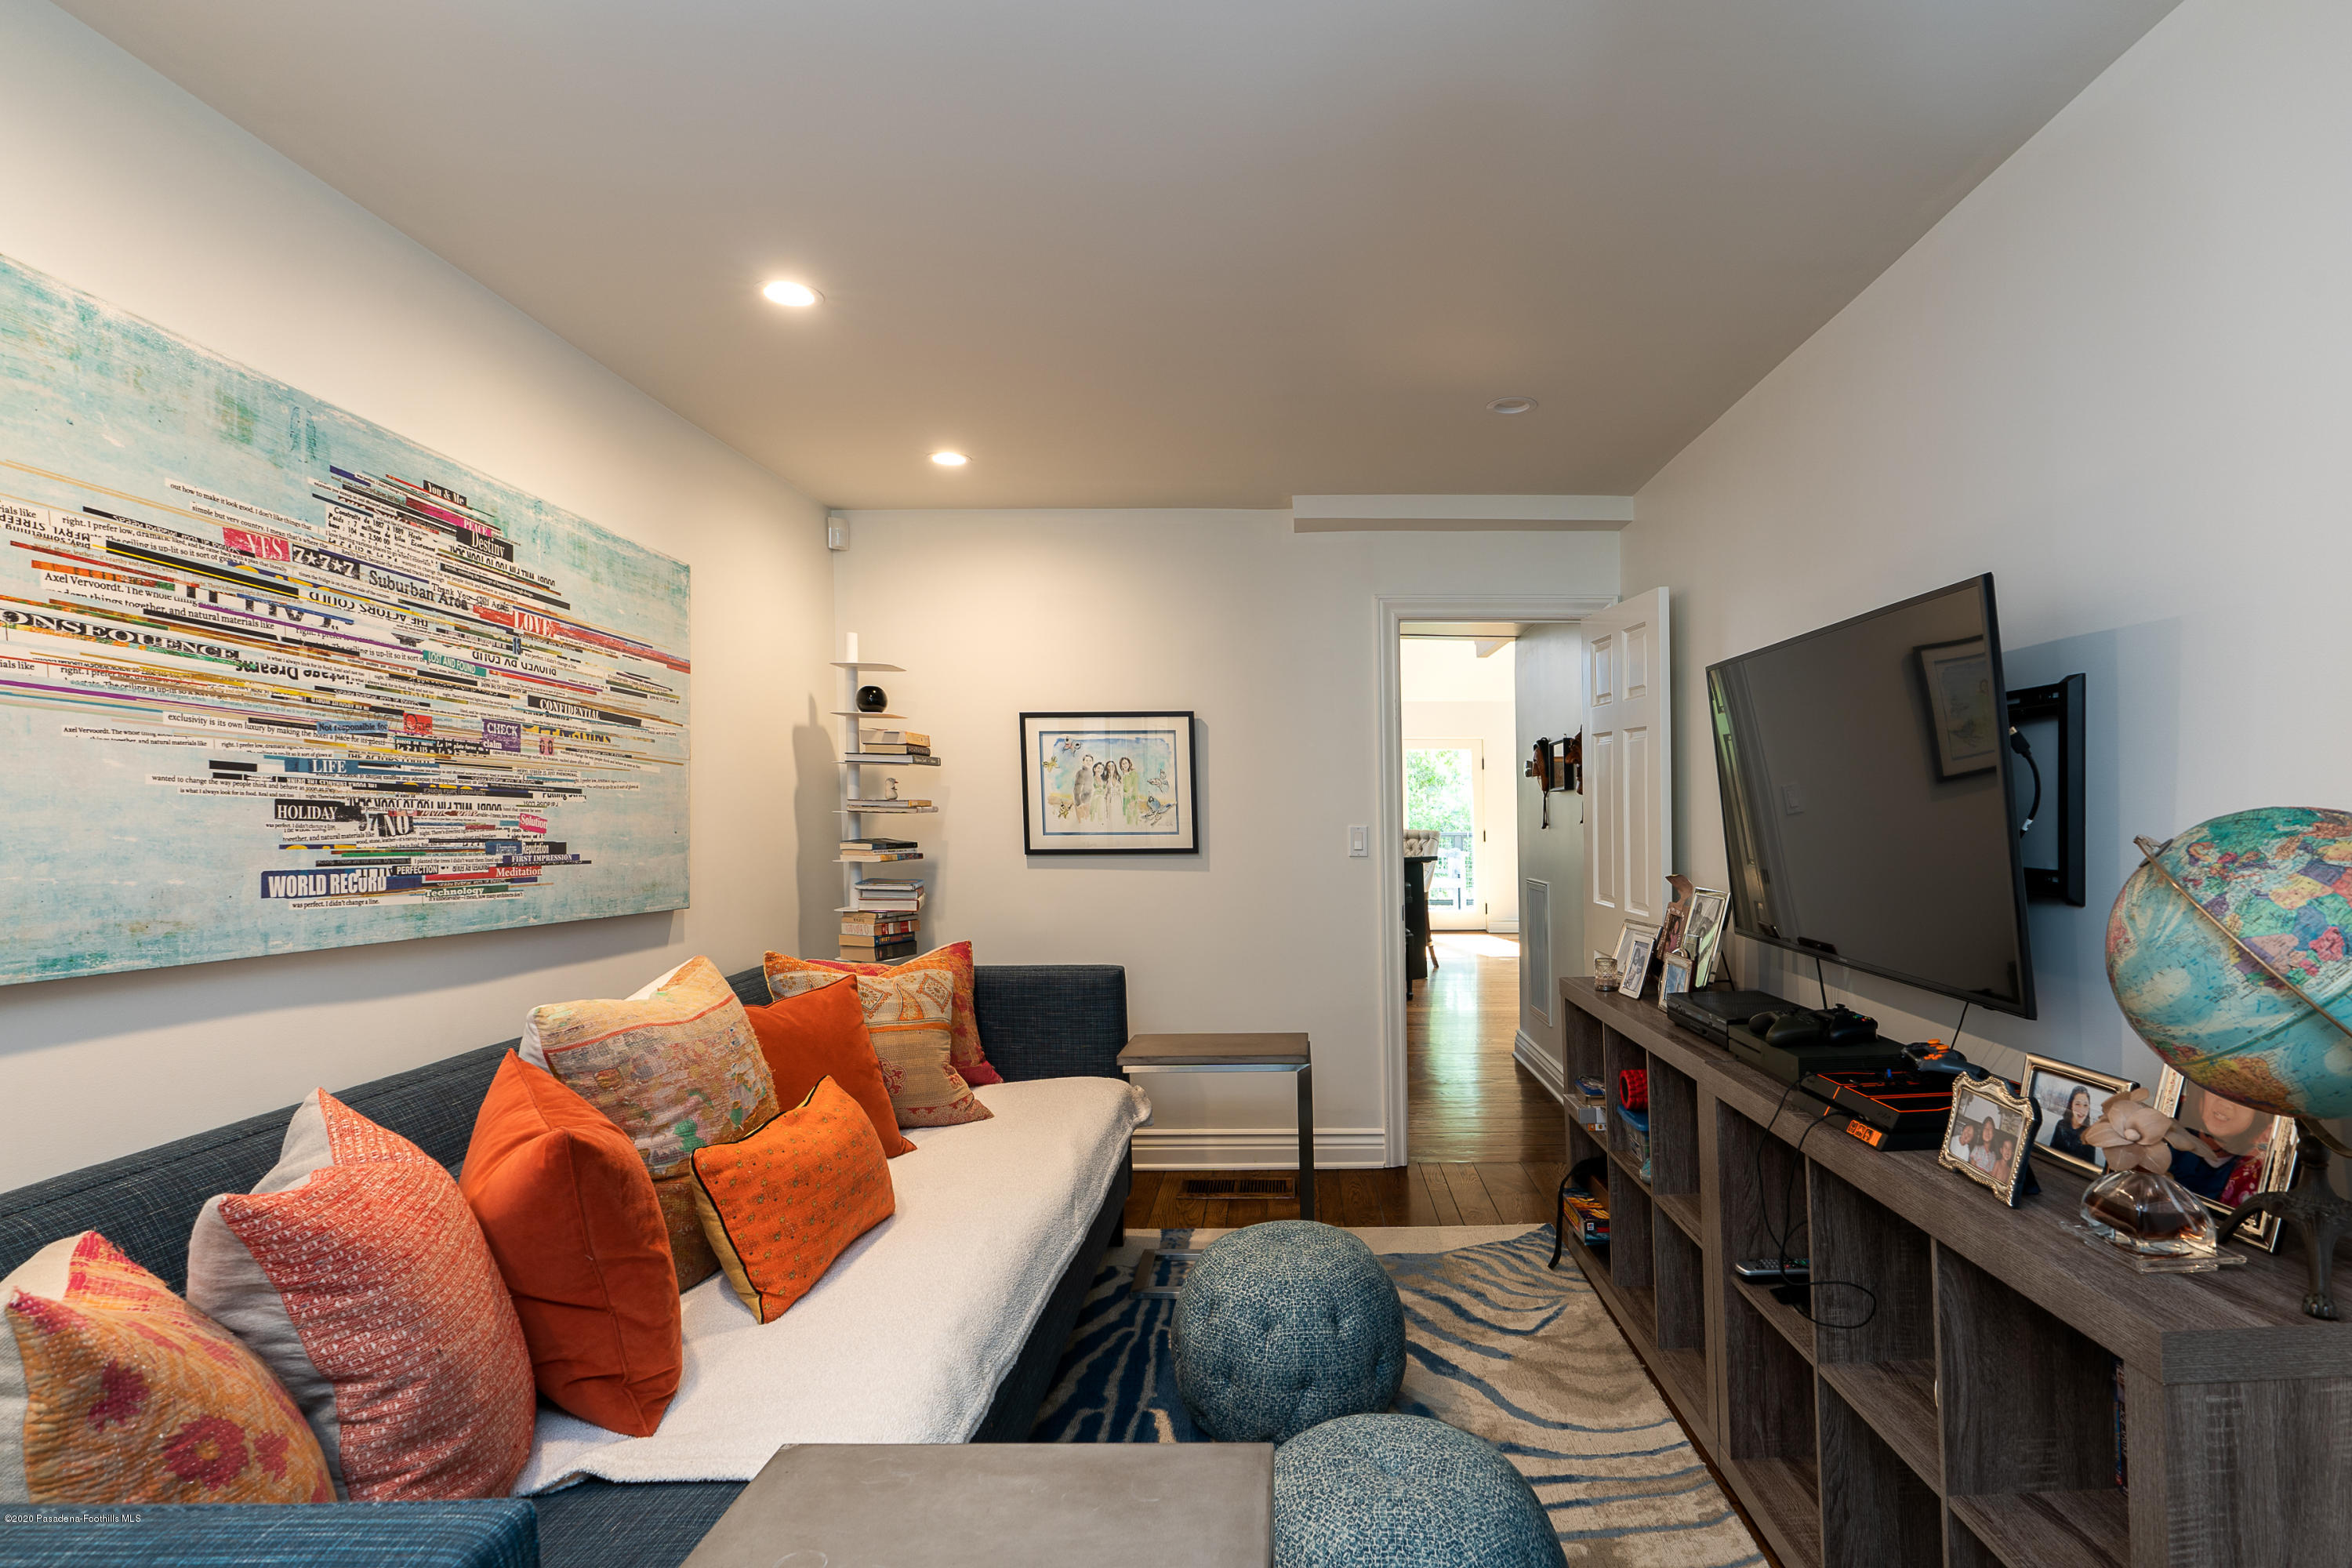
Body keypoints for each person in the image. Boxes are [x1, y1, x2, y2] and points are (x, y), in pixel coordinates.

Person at [2049, 1086, 2098, 1162]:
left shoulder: (2090, 1134)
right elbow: (2051, 1154)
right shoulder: (2061, 1125)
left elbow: (2090, 1166)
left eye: (2085, 1105)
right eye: (2077, 1104)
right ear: (2071, 1105)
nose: (2082, 1110)